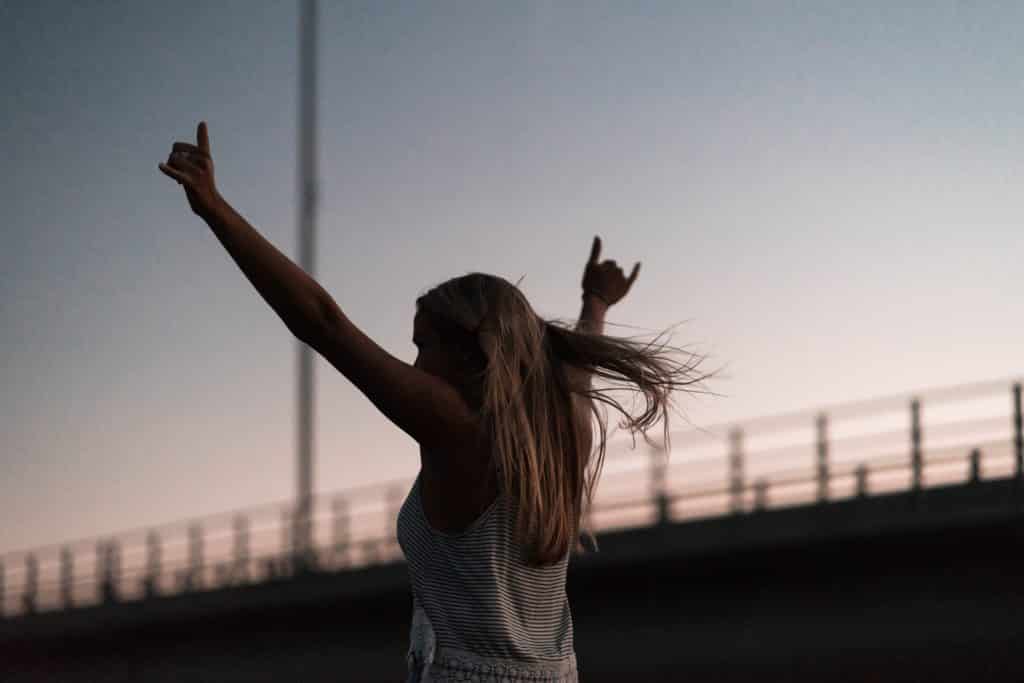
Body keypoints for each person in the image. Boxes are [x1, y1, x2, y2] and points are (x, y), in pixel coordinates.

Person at [159, 122, 713, 682]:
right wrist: (595, 301)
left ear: (476, 355)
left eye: (425, 345)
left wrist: (216, 212)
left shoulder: (460, 430)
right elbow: (578, 365)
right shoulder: (567, 428)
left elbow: (324, 323)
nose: (417, 366)